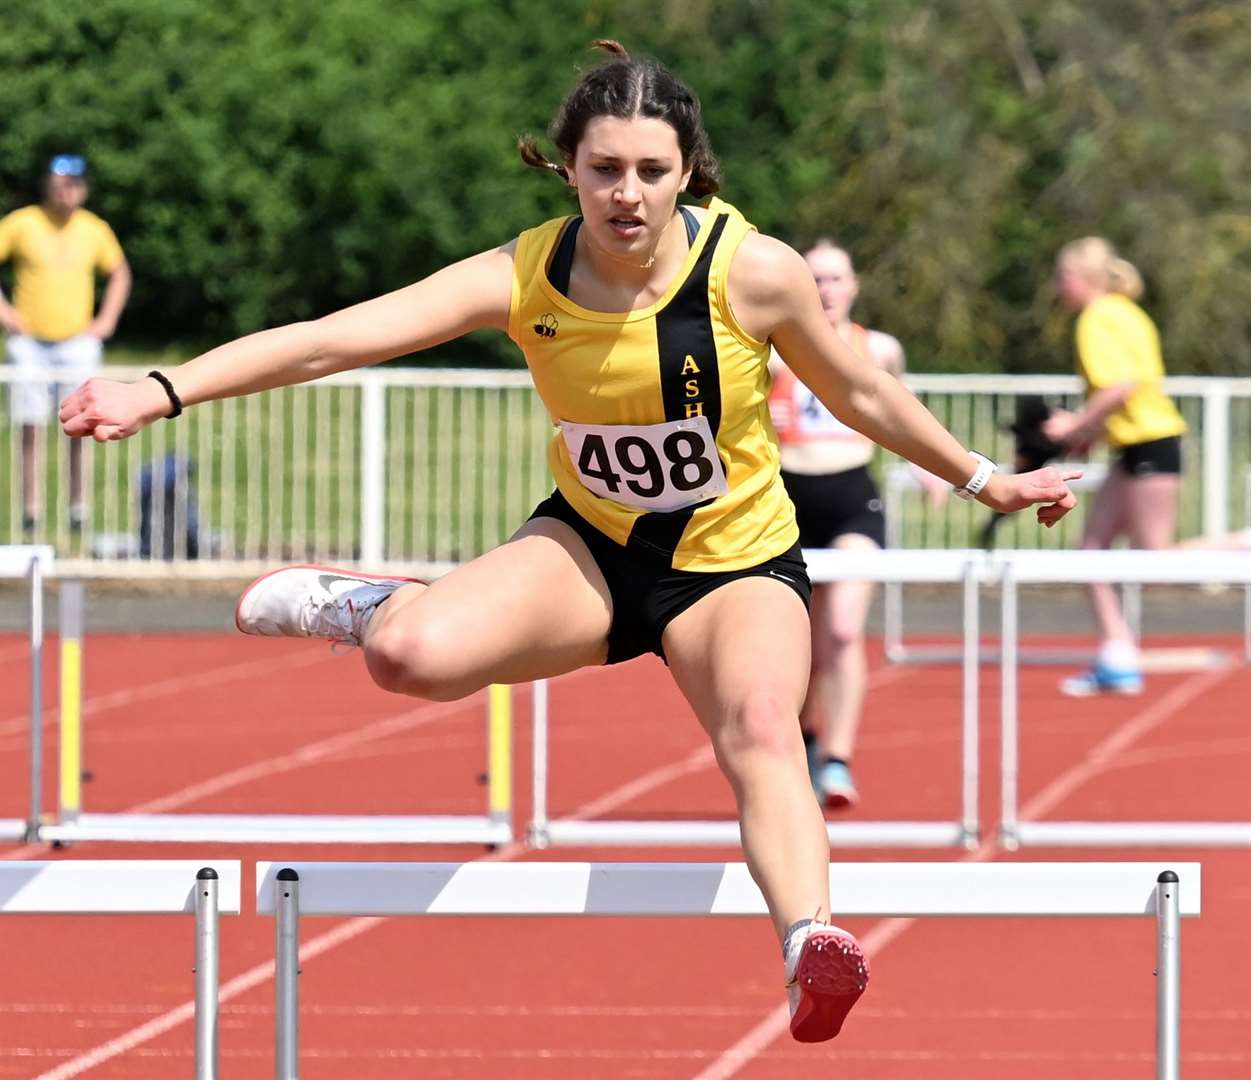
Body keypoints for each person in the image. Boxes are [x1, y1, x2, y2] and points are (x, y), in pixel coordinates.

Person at [60, 42, 1078, 1043]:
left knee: (765, 730)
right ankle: (372, 606)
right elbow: (342, 335)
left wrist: (985, 481)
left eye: (649, 172)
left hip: (732, 564)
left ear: (688, 173)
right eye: (603, 171)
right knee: (406, 659)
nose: (626, 196)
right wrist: (161, 389)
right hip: (591, 550)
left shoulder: (751, 274)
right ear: (568, 168)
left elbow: (857, 390)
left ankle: (809, 941)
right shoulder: (526, 272)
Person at [768, 240, 947, 809]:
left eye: (835, 280)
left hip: (851, 499)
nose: (825, 291)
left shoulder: (880, 348)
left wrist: (933, 466)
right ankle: (804, 739)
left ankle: (839, 759)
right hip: (785, 502)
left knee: (843, 630)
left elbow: (901, 406)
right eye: (814, 279)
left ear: (854, 285)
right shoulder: (773, 347)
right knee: (794, 646)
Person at [1045, 238, 1185, 697]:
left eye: (1061, 276)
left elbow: (1122, 386)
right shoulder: (1126, 311)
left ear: (1080, 278)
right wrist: (1093, 435)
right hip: (1136, 446)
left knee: (1156, 557)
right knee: (1092, 551)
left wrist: (1073, 425)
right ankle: (1117, 652)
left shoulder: (1098, 317)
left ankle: (1242, 546)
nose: (1057, 286)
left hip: (1151, 444)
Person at [0, 154, 131, 535]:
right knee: (31, 424)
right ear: (48, 185)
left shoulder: (94, 229)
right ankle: (32, 510)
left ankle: (78, 508)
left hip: (77, 341)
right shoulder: (24, 222)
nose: (67, 191)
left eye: (74, 183)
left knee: (83, 424)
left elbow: (120, 272)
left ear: (84, 188)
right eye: (60, 183)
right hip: (29, 342)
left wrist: (107, 320)